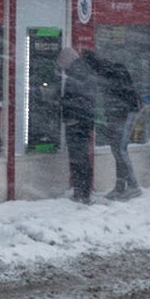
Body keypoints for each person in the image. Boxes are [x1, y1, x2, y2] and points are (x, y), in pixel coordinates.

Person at [94, 54, 143, 201]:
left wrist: (114, 118)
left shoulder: (111, 75)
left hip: (126, 114)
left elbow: (119, 99)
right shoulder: (113, 71)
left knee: (120, 149)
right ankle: (120, 186)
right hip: (123, 113)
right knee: (117, 148)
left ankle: (133, 185)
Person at [57, 46, 96, 204]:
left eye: (62, 65)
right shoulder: (82, 71)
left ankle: (82, 192)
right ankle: (82, 191)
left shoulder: (76, 74)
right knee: (80, 158)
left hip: (77, 122)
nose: (62, 69)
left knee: (78, 158)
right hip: (82, 121)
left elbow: (78, 99)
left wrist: (62, 101)